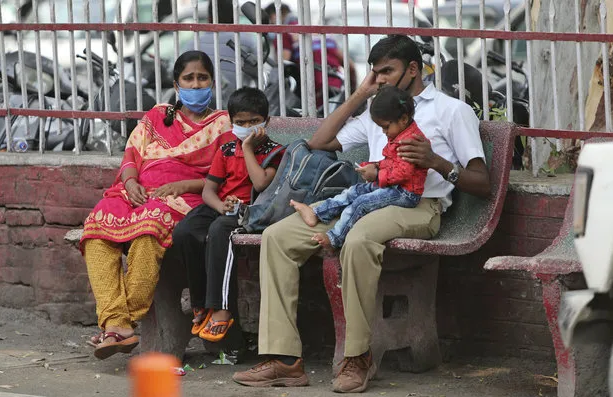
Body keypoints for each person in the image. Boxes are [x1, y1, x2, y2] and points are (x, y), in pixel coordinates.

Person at [232, 34, 491, 392]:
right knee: (277, 237)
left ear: (413, 69)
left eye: (388, 71)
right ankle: (284, 360)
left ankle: (358, 356)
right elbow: (318, 142)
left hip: (418, 206)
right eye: (376, 72)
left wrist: (435, 162)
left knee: (358, 238)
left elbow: (482, 181)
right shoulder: (378, 112)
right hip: (368, 198)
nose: (380, 78)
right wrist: (360, 94)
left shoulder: (450, 111)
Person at [81, 50, 233, 360]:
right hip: (135, 192)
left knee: (147, 233)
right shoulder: (156, 115)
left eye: (201, 78)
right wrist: (131, 182)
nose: (195, 84)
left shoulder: (222, 125)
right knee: (95, 233)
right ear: (176, 85)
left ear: (212, 83)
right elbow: (130, 155)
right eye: (188, 79)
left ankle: (123, 323)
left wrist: (184, 185)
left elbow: (227, 178)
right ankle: (118, 324)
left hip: (185, 198)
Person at [171, 87, 284, 343]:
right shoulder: (225, 150)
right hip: (223, 206)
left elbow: (260, 184)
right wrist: (220, 204)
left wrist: (247, 149)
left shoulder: (276, 152)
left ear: (266, 121)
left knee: (220, 230)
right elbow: (209, 191)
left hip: (251, 213)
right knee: (185, 231)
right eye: (240, 122)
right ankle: (200, 303)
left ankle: (222, 309)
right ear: (231, 122)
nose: (247, 126)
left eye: (254, 121)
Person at [290, 85, 428, 249]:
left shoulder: (410, 141)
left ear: (403, 119)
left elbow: (403, 173)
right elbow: (392, 162)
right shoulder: (400, 133)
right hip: (392, 186)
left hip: (405, 193)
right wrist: (374, 165)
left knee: (361, 203)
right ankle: (317, 213)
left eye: (385, 127)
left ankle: (334, 238)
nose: (383, 132)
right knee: (353, 192)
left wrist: (376, 174)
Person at [183, 0, 257, 106]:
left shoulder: (194, 43)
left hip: (201, 105)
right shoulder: (246, 40)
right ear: (234, 16)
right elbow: (259, 71)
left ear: (209, 17)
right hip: (237, 105)